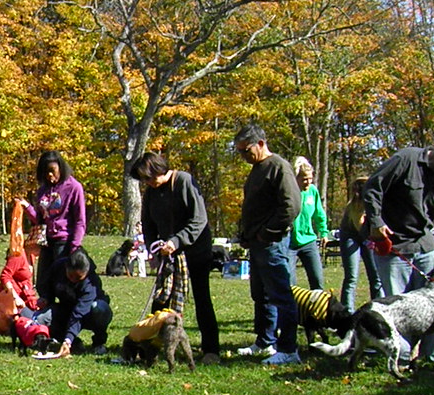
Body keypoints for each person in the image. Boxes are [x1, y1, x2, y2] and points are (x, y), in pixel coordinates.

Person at [129, 152, 220, 364]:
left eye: (149, 178)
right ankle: (151, 349)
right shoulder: (151, 192)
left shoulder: (184, 181)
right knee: (160, 300)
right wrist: (154, 247)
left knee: (202, 298)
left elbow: (199, 219)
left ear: (159, 169)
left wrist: (177, 241)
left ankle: (211, 349)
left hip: (195, 251)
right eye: (144, 180)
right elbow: (148, 224)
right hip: (168, 254)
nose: (148, 183)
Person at [362, 132, 434, 297]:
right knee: (398, 305)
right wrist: (376, 222)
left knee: (431, 302)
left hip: (426, 248)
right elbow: (373, 188)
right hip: (396, 248)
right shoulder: (406, 159)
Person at [234, 123, 302, 365]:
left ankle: (289, 349)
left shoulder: (279, 167)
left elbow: (291, 206)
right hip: (256, 243)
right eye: (239, 151)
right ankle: (265, 341)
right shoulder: (257, 169)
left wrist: (268, 232)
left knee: (281, 295)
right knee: (261, 295)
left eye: (246, 150)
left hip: (272, 243)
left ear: (261, 144)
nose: (243, 156)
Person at [19, 151, 87, 300]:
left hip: (65, 242)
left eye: (52, 171)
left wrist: (74, 247)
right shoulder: (43, 190)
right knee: (43, 284)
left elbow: (80, 221)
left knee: (63, 285)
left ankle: (66, 312)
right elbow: (40, 219)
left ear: (60, 168)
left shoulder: (74, 187)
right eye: (45, 172)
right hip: (47, 242)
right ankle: (47, 311)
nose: (49, 175)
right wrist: (27, 207)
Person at [35, 250, 112, 357]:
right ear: (66, 267)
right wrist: (46, 298)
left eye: (79, 278)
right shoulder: (57, 267)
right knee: (40, 319)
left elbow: (79, 313)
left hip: (88, 313)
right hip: (66, 308)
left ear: (86, 272)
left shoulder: (92, 282)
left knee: (99, 308)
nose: (74, 280)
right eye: (70, 276)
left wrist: (68, 340)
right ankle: (74, 342)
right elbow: (47, 286)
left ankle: (98, 342)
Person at [338, 177, 384, 309]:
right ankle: (347, 312)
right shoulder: (354, 206)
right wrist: (371, 242)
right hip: (350, 237)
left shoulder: (375, 202)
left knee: (376, 276)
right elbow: (360, 227)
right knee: (351, 277)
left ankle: (379, 308)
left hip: (368, 236)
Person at [288, 157, 328, 290]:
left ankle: (317, 303)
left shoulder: (312, 191)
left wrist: (323, 232)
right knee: (290, 282)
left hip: (308, 241)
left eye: (310, 178)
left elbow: (319, 213)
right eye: (304, 179)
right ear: (296, 178)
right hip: (290, 243)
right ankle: (293, 304)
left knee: (317, 279)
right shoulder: (289, 192)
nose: (308, 182)